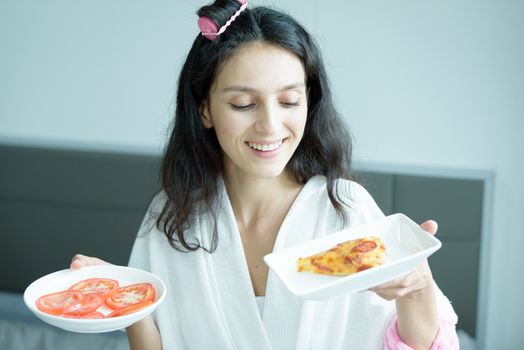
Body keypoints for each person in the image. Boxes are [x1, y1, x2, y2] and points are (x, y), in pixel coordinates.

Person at [70, 0, 459, 349]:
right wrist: (129, 302)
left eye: (289, 101)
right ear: (204, 109)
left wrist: (417, 287)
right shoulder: (172, 218)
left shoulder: (345, 211)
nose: (270, 126)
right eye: (243, 104)